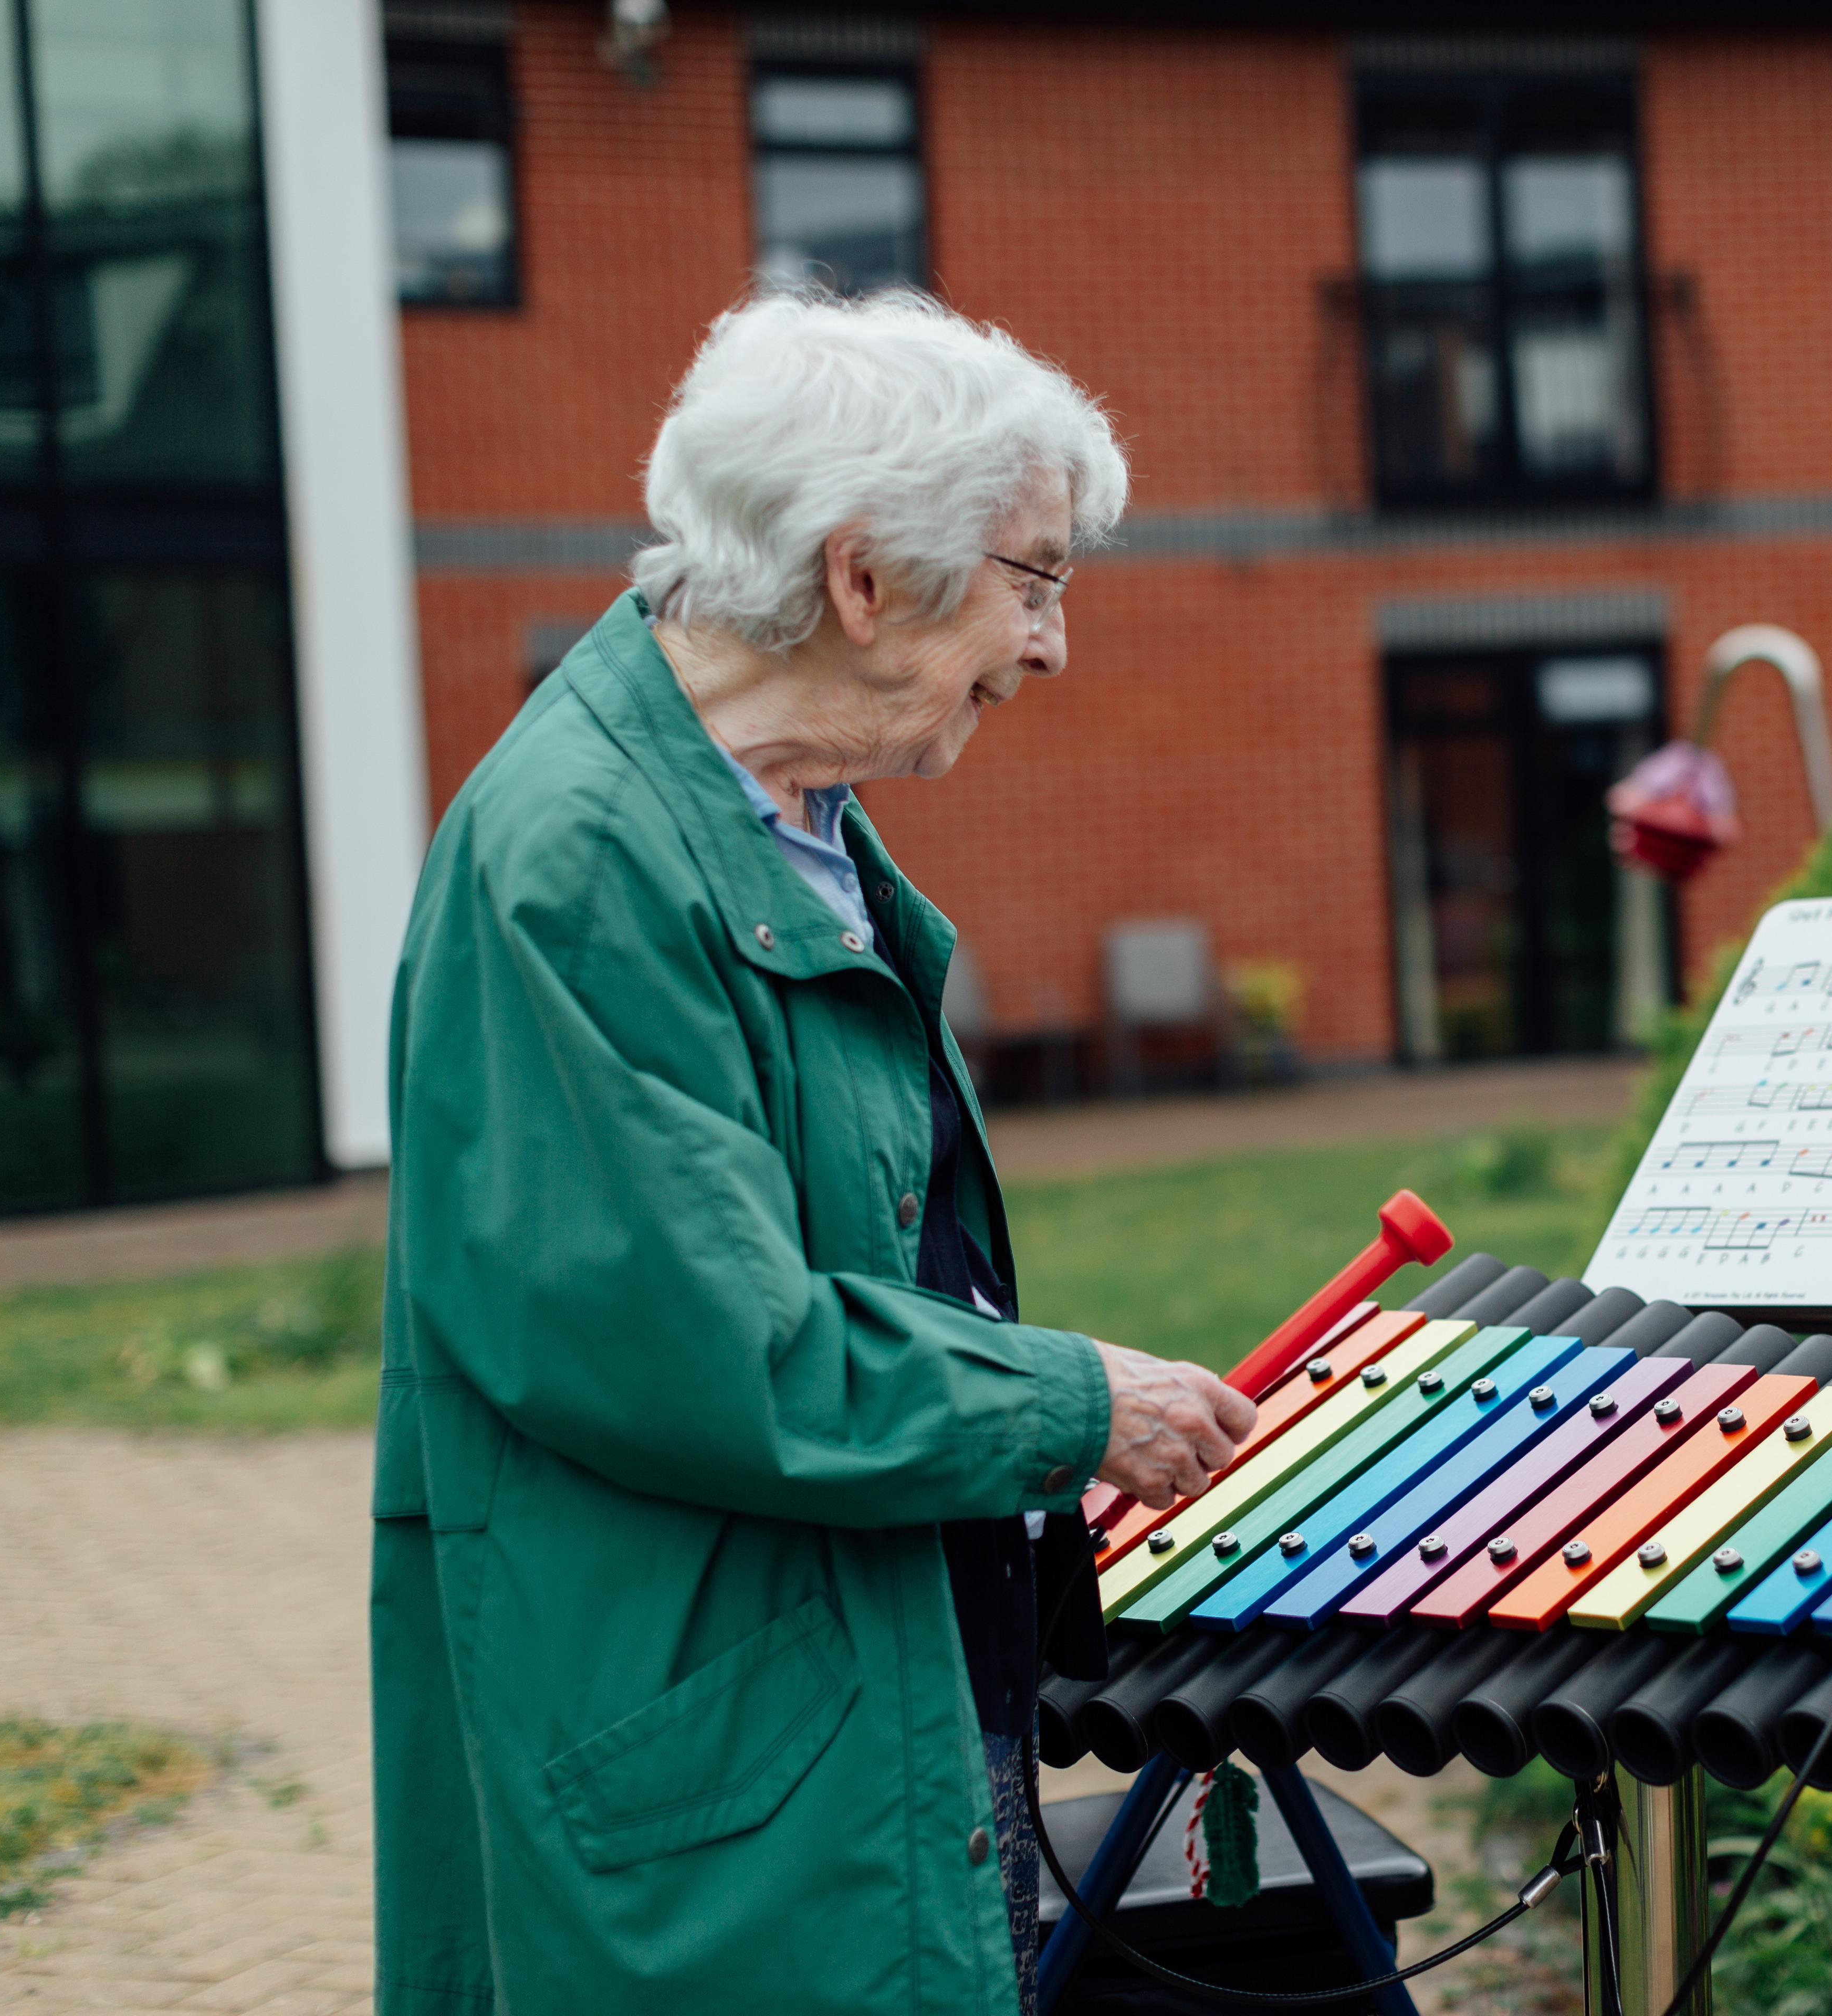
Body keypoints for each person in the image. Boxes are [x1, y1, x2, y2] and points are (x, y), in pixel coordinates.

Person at [370, 291, 1259, 2016]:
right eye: (1036, 576)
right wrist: (1068, 1406)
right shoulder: (578, 857)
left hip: (846, 1703)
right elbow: (713, 1343)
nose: (1052, 645)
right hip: (707, 1771)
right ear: (862, 578)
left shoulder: (783, 820)